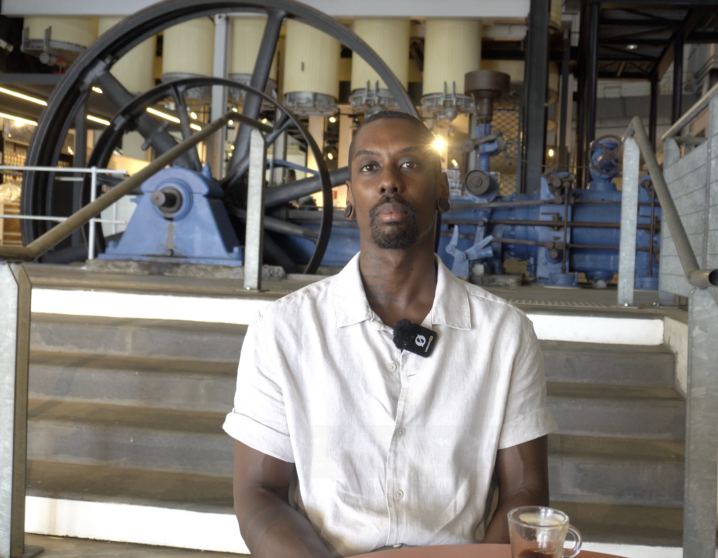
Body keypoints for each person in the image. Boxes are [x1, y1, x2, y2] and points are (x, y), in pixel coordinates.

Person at [223, 111, 557, 557]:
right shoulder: (283, 330)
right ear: (349, 197)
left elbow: (525, 490)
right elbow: (258, 491)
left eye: (410, 164)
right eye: (369, 167)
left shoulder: (505, 335)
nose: (389, 182)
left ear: (442, 190)